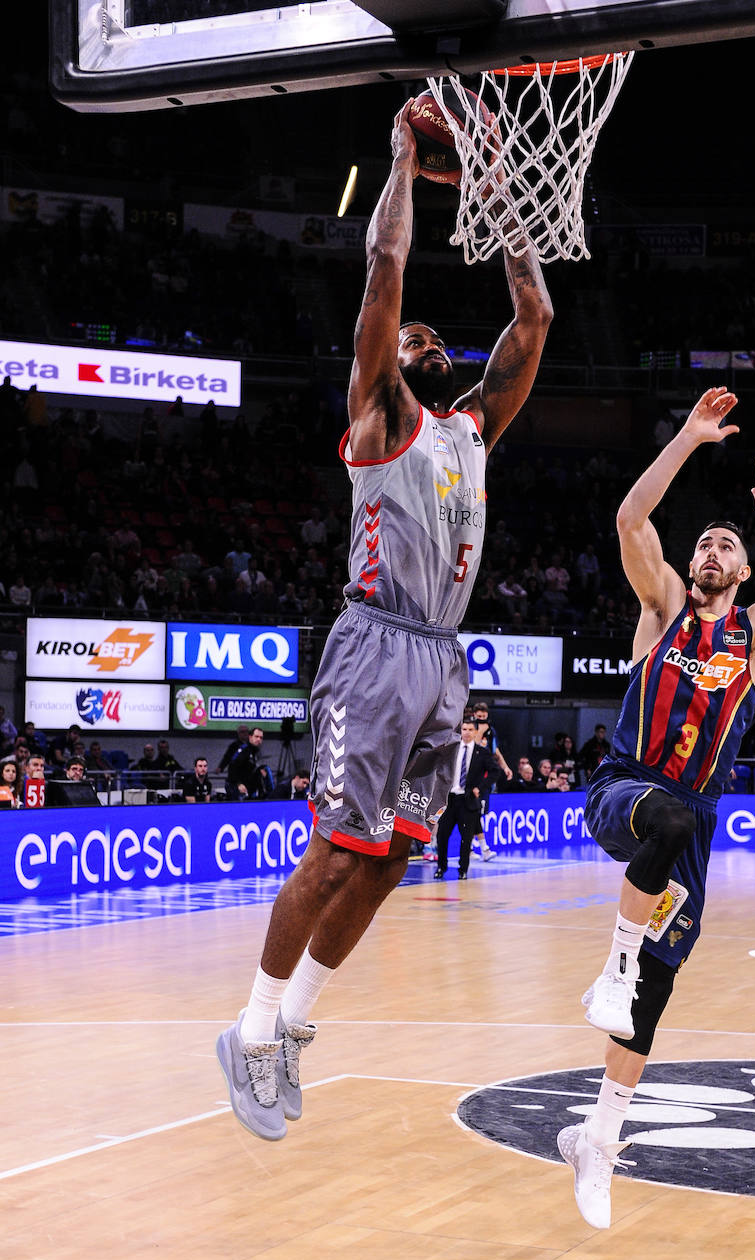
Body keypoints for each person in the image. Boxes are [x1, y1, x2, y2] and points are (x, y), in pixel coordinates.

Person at [216, 100, 552, 1142]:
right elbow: (383, 273)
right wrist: (404, 158)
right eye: (412, 336)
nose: (426, 336)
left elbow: (532, 320)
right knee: (330, 853)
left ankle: (299, 1023)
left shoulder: (472, 429)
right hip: (373, 646)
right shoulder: (382, 414)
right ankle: (250, 1027)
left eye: (434, 335)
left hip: (441, 659)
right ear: (386, 363)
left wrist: (504, 201)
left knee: (397, 854)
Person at [558, 387, 755, 1228]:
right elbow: (631, 517)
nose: (712, 549)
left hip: (694, 825)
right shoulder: (663, 606)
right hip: (626, 789)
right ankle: (611, 964)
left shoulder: (753, 632)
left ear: (745, 572)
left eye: (726, 545)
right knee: (666, 822)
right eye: (705, 541)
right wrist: (687, 438)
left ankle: (597, 1141)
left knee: (656, 995)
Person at [435, 720, 498, 879]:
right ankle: (441, 867)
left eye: (470, 729)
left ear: (476, 732)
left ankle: (463, 870)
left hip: (468, 800)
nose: (467, 732)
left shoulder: (482, 752)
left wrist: (480, 787)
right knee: (442, 836)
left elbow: (495, 772)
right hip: (449, 800)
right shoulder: (452, 750)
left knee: (466, 839)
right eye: (464, 729)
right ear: (460, 731)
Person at [470, 702, 512, 860]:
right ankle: (482, 848)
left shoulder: (491, 731)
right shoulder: (470, 729)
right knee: (472, 812)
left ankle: (472, 848)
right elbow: (471, 747)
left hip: (485, 778)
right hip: (470, 777)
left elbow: (495, 752)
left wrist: (505, 767)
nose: (481, 718)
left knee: (477, 813)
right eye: (478, 716)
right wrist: (480, 730)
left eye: (483, 716)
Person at [226, 726, 274, 800]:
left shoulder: (256, 751)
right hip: (237, 786)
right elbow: (232, 767)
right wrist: (238, 784)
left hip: (250, 787)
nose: (259, 739)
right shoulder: (244, 750)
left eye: (261, 738)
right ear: (250, 737)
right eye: (256, 736)